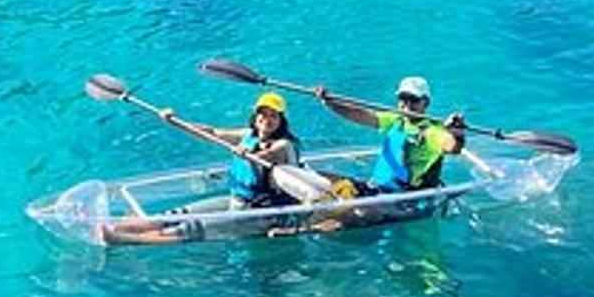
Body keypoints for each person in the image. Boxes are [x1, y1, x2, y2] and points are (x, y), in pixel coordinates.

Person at [320, 75, 465, 193]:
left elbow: (453, 147)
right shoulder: (396, 120)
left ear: (425, 103)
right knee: (317, 180)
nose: (406, 105)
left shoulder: (432, 131)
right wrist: (331, 103)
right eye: (403, 98)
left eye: (413, 100)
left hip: (400, 200)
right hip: (377, 189)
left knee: (339, 212)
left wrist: (456, 133)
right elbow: (360, 115)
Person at [167, 91, 304, 208]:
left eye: (273, 115)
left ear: (281, 121)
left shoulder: (284, 144)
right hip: (240, 198)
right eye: (263, 114)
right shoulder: (248, 135)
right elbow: (212, 133)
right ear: (255, 117)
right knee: (167, 219)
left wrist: (248, 154)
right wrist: (176, 122)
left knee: (172, 232)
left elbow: (266, 155)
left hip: (268, 208)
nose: (267, 119)